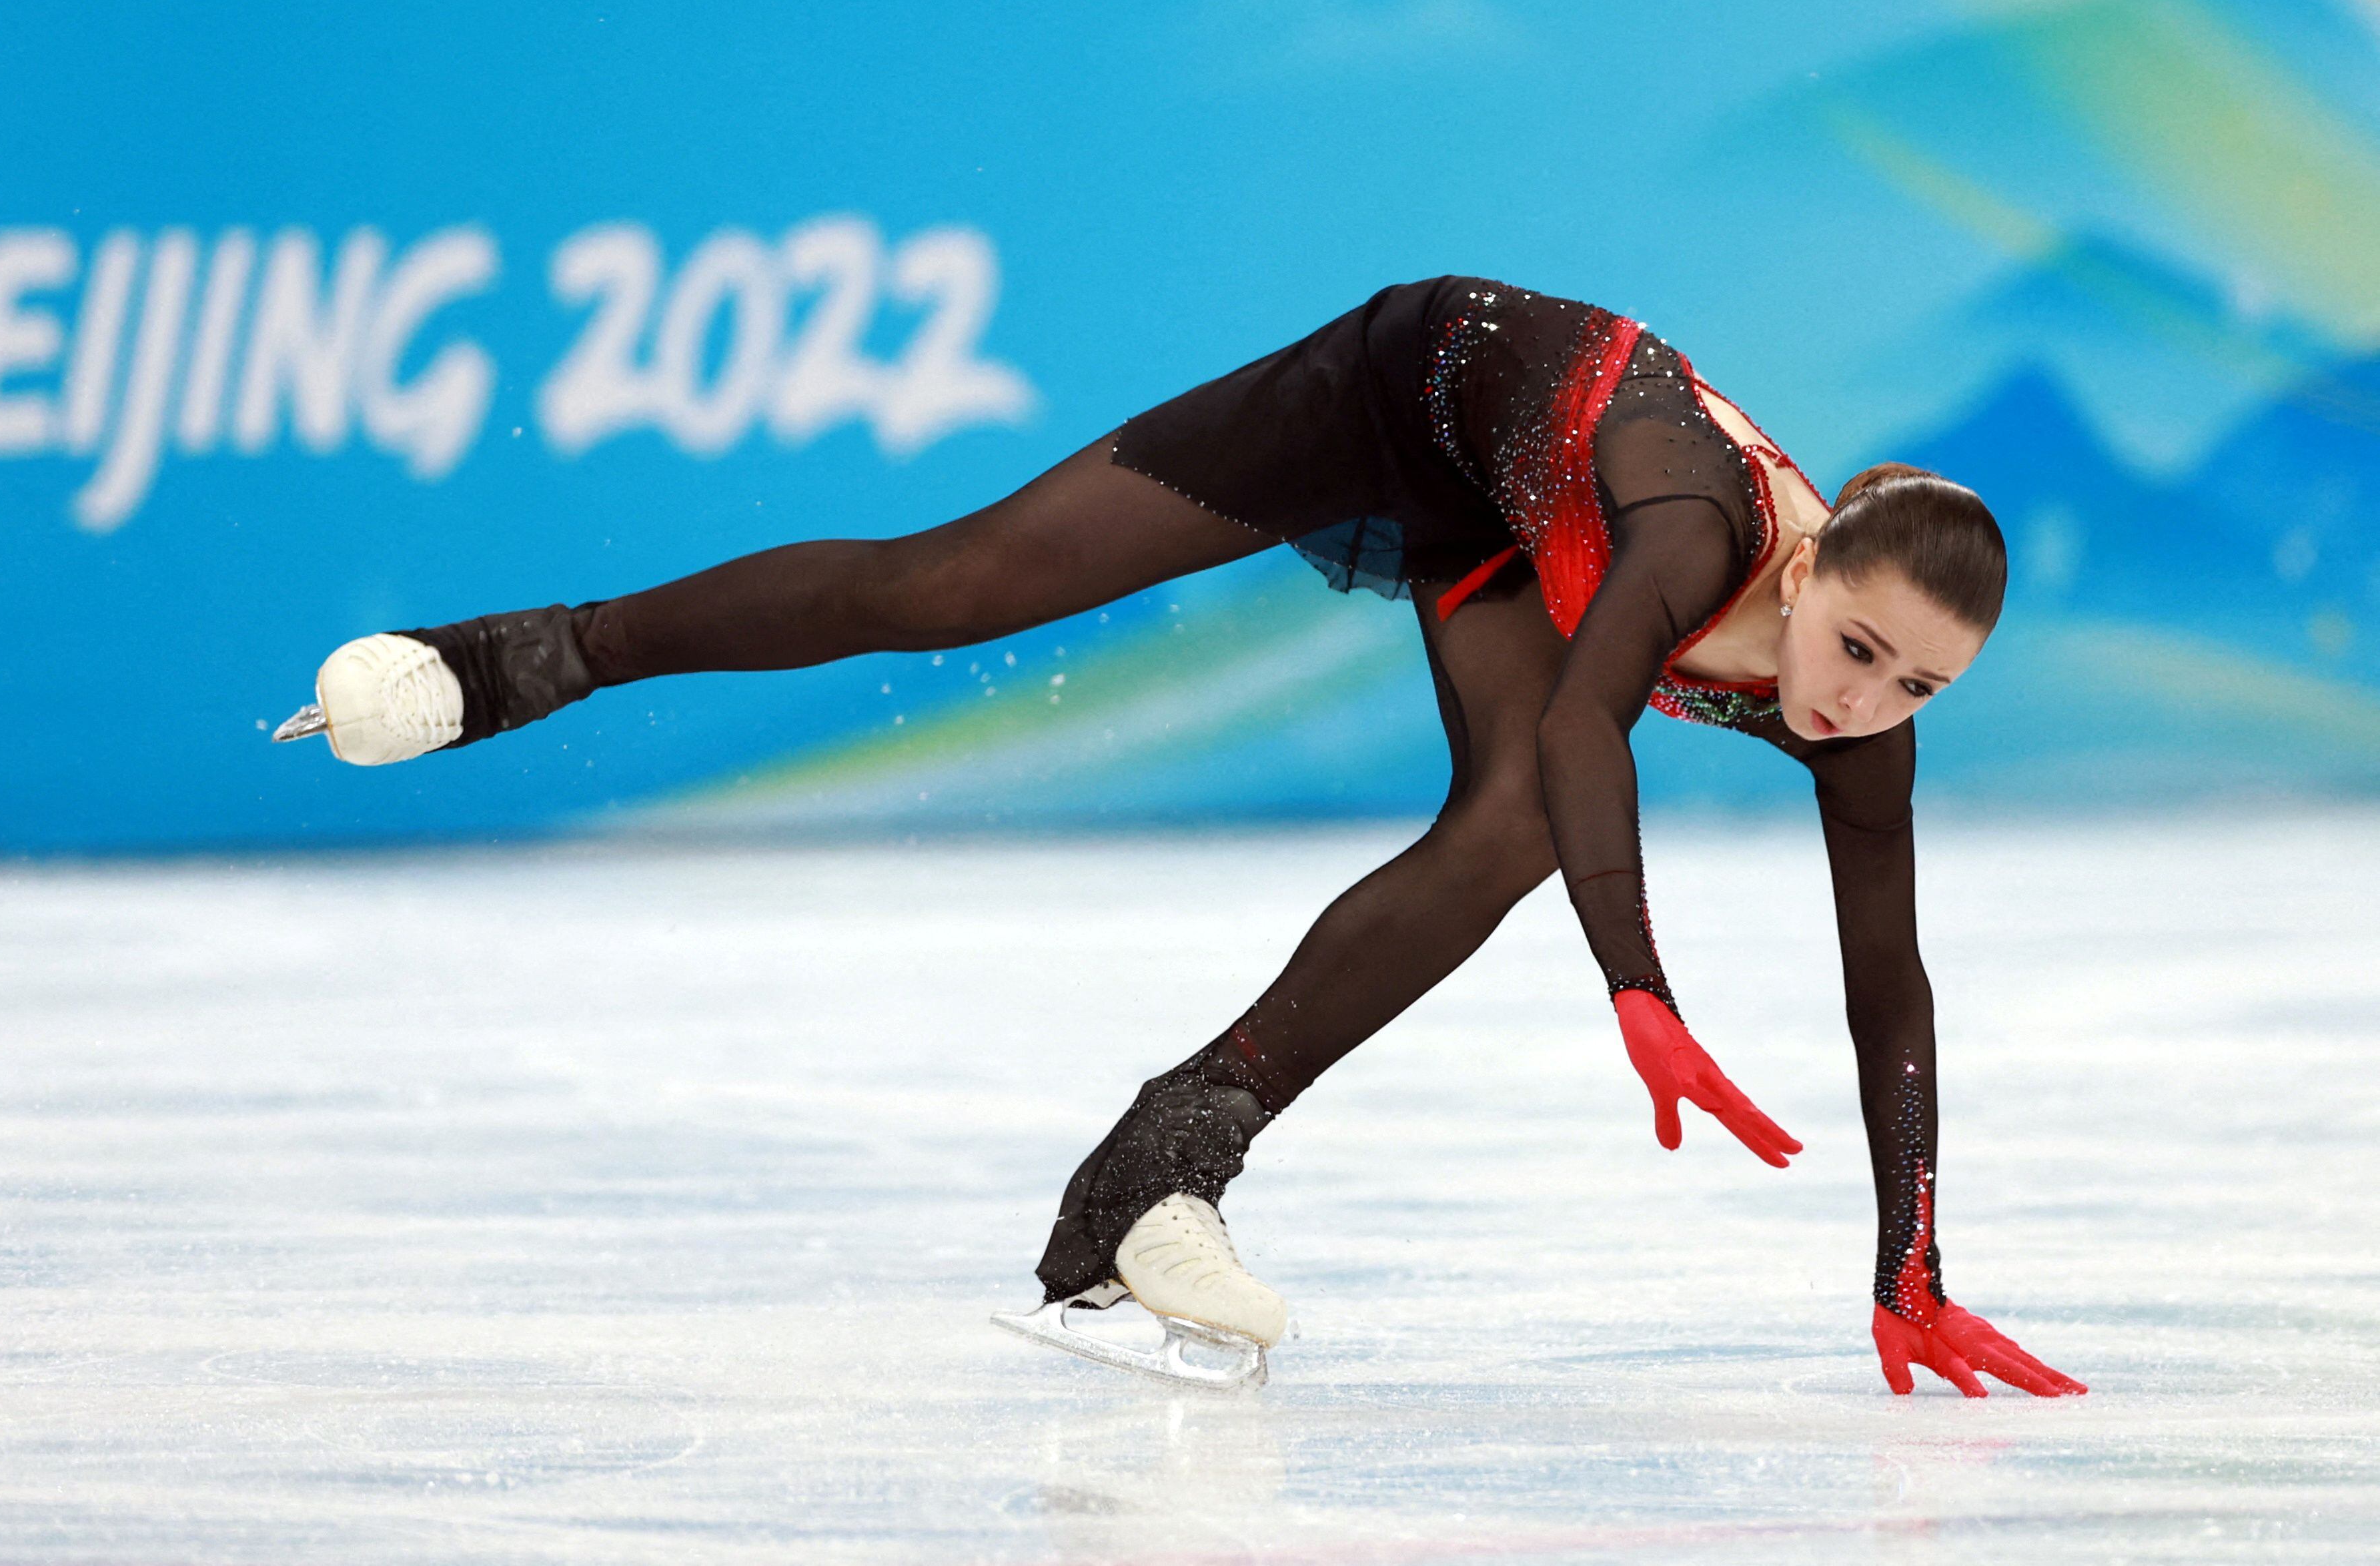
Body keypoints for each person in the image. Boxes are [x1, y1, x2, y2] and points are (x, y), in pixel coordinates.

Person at [274, 276, 2086, 1401]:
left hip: (1507, 530)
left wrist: (1905, 1265)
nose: (1860, 706)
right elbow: (1581, 713)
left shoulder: (1857, 712)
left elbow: (1887, 979)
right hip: (1402, 386)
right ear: (1819, 558)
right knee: (955, 584)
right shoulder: (1694, 530)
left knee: (1505, 830)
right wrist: (1639, 990)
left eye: (1919, 690)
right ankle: (522, 658)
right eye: (1856, 650)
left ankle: (1161, 1163)